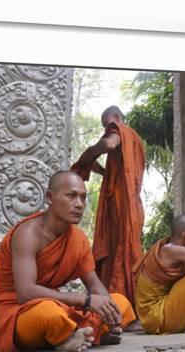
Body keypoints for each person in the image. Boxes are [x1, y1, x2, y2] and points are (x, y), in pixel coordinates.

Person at [0, 171, 136, 352]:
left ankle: (71, 336)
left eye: (83, 198)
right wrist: (85, 301)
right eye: (71, 196)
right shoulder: (28, 234)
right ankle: (82, 334)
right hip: (15, 311)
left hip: (58, 306)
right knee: (49, 315)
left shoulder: (78, 239)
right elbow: (25, 293)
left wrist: (111, 315)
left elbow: (94, 285)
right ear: (50, 197)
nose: (79, 204)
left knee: (119, 301)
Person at [70, 106, 145, 305]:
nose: (107, 129)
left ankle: (124, 303)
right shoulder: (136, 141)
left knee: (122, 249)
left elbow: (109, 144)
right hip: (132, 203)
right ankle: (120, 301)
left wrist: (90, 152)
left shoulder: (123, 132)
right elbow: (120, 171)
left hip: (122, 204)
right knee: (120, 250)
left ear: (117, 119)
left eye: (108, 124)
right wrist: (101, 169)